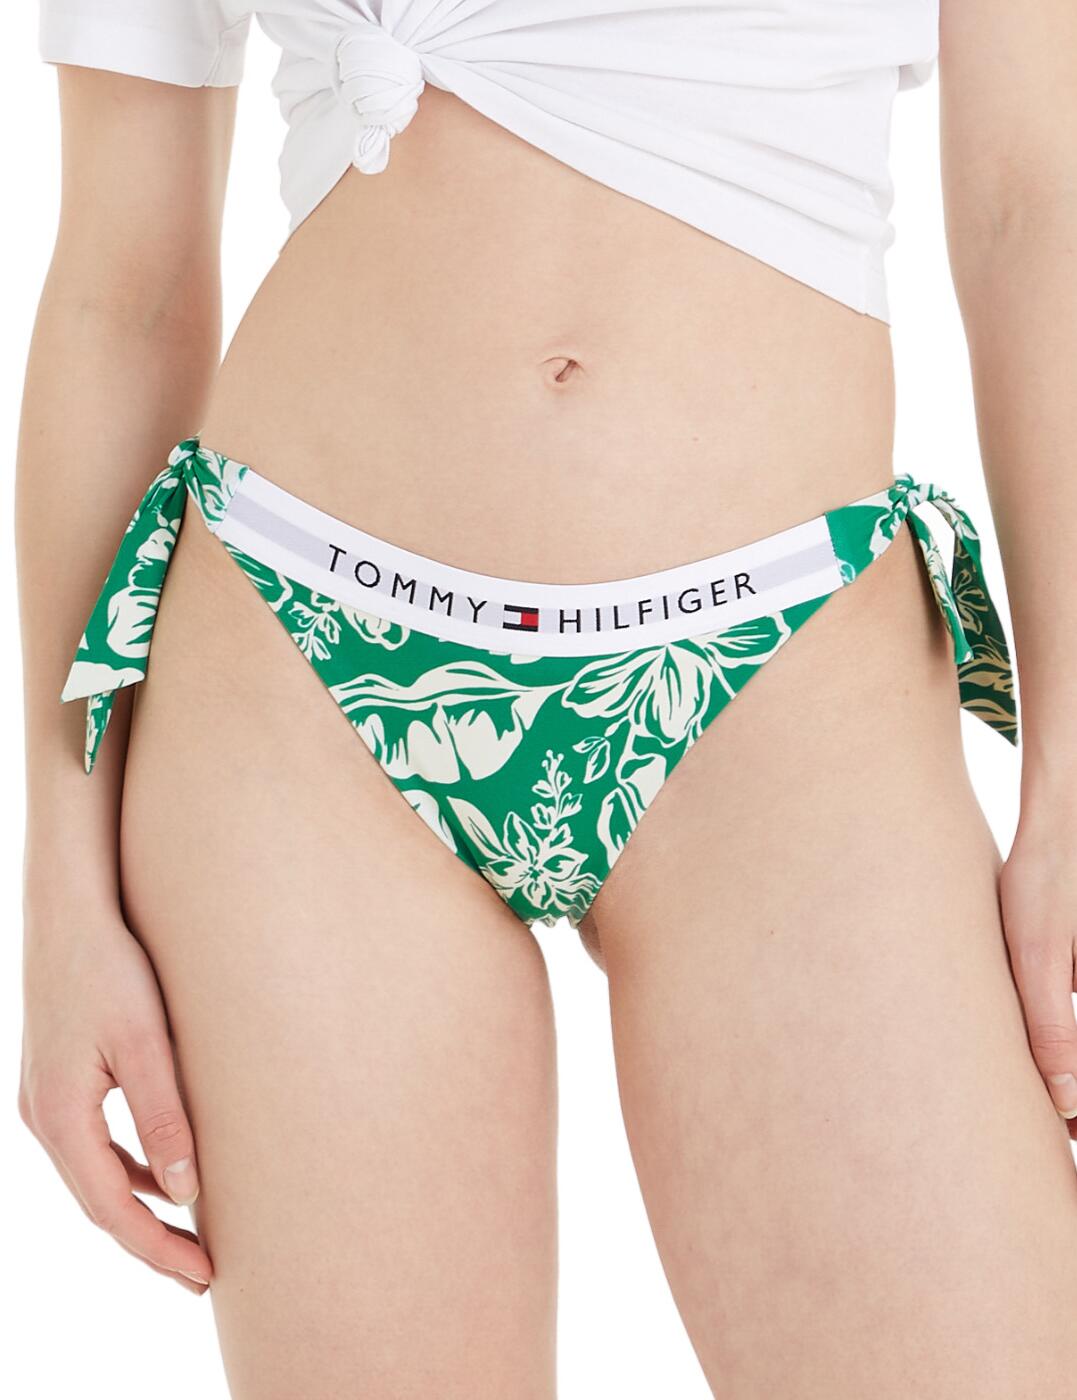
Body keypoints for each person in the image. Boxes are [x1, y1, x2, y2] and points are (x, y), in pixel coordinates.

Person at [16, 2, 1077, 1396]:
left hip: (788, 683)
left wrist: (1069, 781)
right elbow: (123, 286)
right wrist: (59, 890)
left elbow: (1032, 206)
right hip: (297, 678)